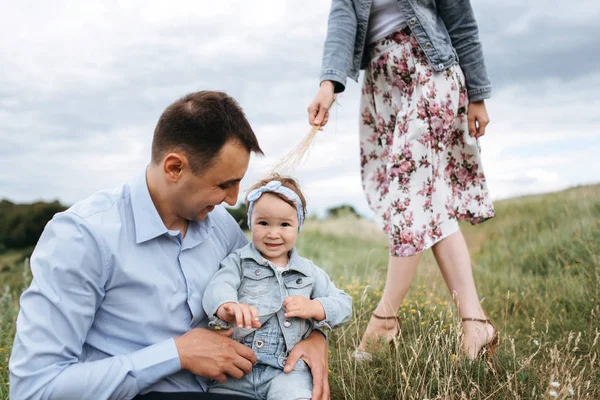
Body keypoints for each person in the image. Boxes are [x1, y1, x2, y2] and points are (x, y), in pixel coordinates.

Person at [9, 91, 331, 400]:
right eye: (223, 184)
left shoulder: (221, 226)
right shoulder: (83, 237)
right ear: (174, 168)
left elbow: (278, 286)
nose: (233, 200)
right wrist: (176, 354)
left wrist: (317, 338)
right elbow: (35, 388)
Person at [307, 0, 498, 360]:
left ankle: (384, 320)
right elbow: (342, 21)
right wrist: (328, 84)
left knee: (409, 195)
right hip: (381, 84)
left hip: (430, 71)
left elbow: (462, 22)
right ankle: (476, 324)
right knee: (430, 201)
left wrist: (478, 95)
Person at [202, 176, 352, 399]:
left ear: (298, 226)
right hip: (237, 369)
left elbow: (343, 303)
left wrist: (315, 307)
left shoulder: (308, 272)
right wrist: (227, 306)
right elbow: (219, 285)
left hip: (288, 371)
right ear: (251, 222)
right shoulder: (239, 261)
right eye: (263, 223)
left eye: (284, 224)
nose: (273, 233)